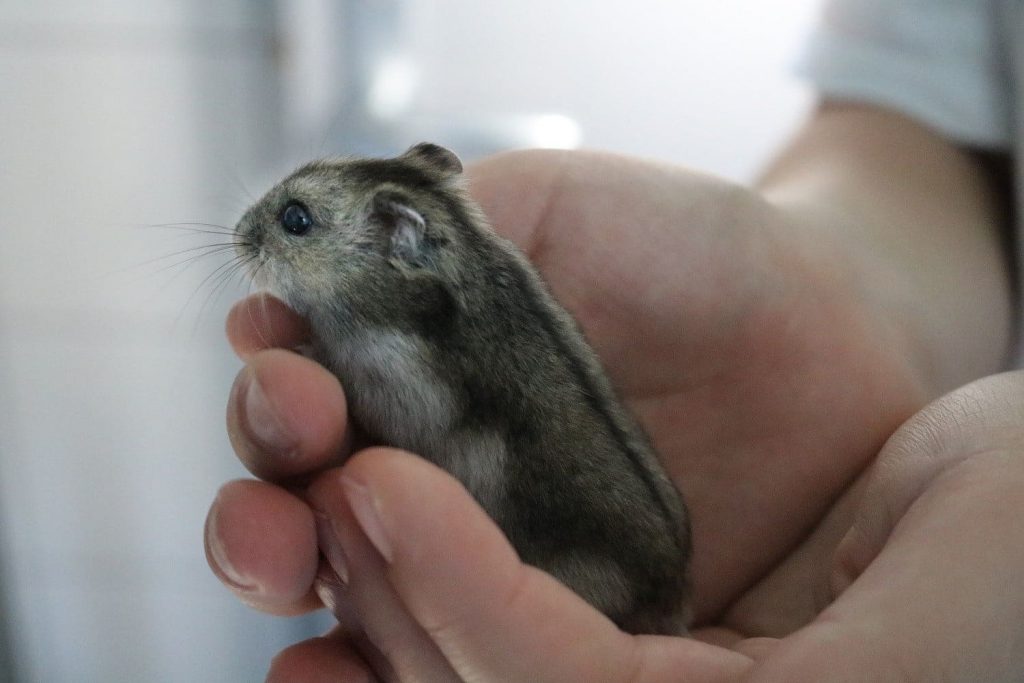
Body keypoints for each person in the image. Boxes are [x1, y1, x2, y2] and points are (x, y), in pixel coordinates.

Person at [204, 2, 1024, 680]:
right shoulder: (424, 308)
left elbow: (425, 420)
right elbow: (922, 118)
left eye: (297, 224)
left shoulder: (423, 340)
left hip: (603, 563)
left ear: (399, 235)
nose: (256, 238)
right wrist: (852, 294)